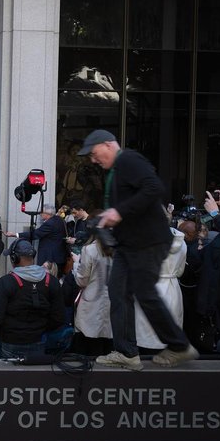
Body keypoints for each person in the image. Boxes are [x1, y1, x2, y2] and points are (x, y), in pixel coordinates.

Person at [78, 129, 197, 369]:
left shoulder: (128, 160)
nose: (93, 159)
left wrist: (119, 212)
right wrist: (107, 222)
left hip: (148, 242)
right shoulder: (117, 169)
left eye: (94, 153)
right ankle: (127, 353)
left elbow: (154, 188)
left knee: (144, 292)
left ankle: (179, 346)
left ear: (108, 144)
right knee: (118, 293)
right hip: (129, 244)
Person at [0, 239, 65, 358]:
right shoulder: (52, 282)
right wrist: (40, 330)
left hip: (9, 342)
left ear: (14, 258)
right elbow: (58, 317)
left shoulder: (5, 282)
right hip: (39, 340)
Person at [70, 230, 114, 357]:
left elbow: (82, 280)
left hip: (91, 301)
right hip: (111, 301)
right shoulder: (119, 250)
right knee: (107, 341)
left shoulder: (89, 250)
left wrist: (76, 263)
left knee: (88, 340)